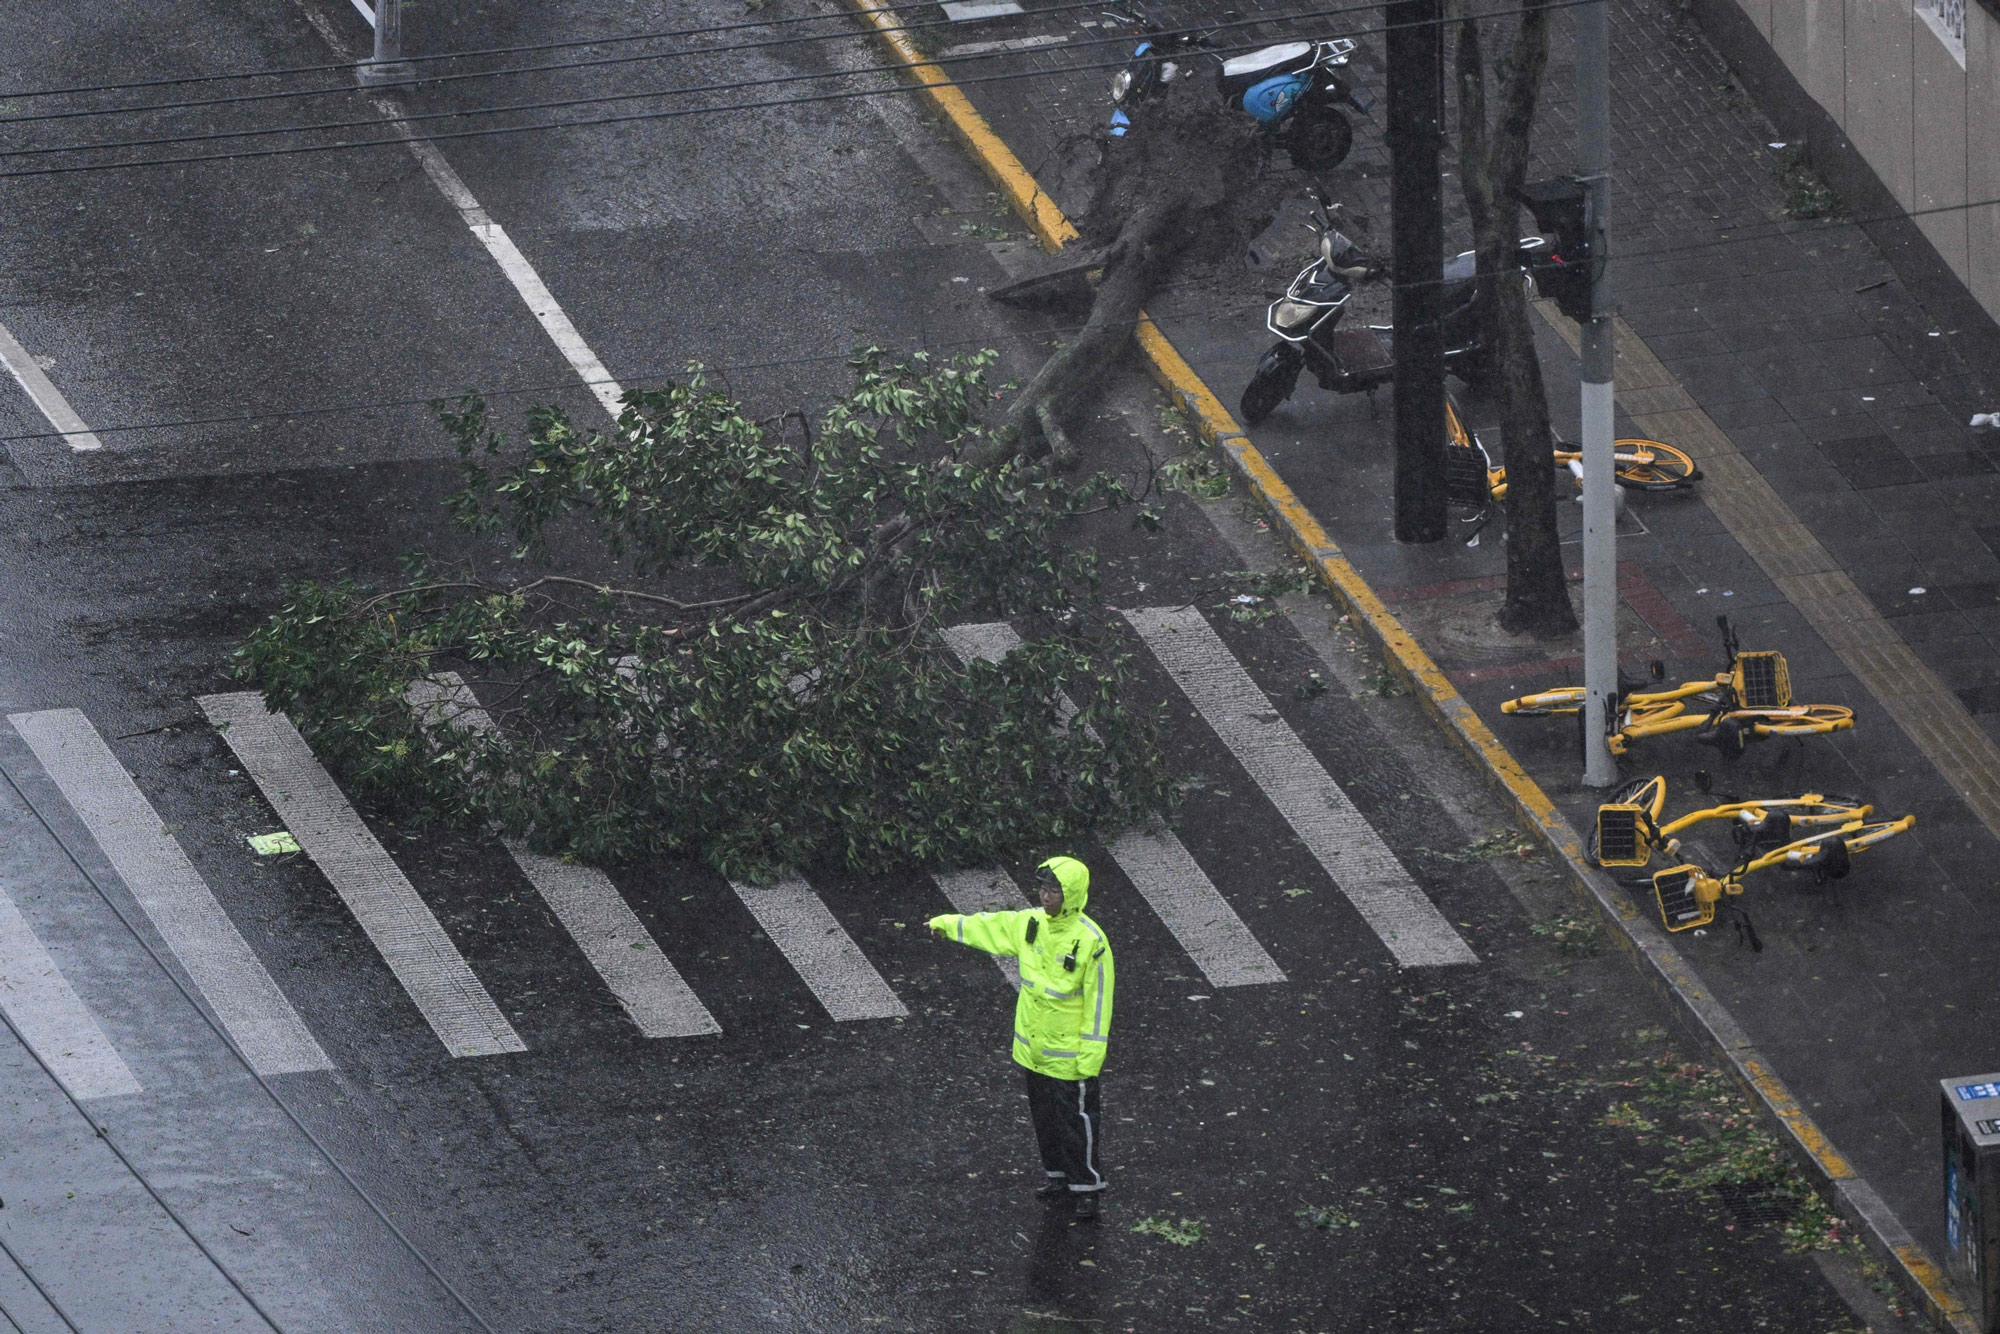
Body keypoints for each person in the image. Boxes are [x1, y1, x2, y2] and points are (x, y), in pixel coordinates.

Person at [928, 855, 1114, 1219]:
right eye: (1043, 890)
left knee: (1077, 1125)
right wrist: (947, 925)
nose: (1046, 898)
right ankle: (1059, 1178)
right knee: (1045, 1119)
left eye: (1054, 891)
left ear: (1071, 895)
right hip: (1034, 1051)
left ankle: (1087, 1187)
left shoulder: (1091, 942)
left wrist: (1090, 1058)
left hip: (1070, 1056)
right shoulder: (1031, 923)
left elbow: (1099, 1003)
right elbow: (991, 928)